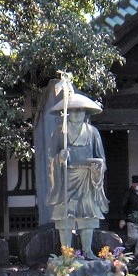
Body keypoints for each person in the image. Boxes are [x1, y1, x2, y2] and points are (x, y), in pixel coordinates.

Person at [46, 92, 108, 251]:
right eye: (73, 110)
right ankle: (67, 253)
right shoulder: (60, 132)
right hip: (66, 178)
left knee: (88, 215)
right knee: (65, 216)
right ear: (68, 112)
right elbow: (51, 157)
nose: (77, 113)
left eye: (80, 110)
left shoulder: (92, 132)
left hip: (87, 178)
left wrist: (97, 166)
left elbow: (100, 157)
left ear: (85, 113)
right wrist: (60, 158)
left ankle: (87, 250)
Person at [118, 175, 138, 255]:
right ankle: (125, 248)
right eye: (137, 184)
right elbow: (123, 206)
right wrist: (122, 219)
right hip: (131, 219)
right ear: (133, 184)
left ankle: (137, 256)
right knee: (133, 237)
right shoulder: (128, 193)